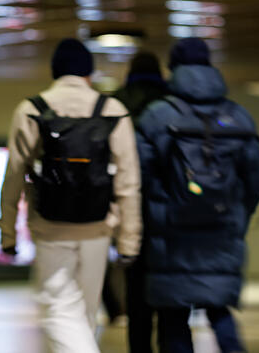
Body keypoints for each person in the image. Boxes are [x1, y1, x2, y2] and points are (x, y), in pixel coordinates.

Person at [0, 38, 142, 353]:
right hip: (98, 227)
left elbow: (14, 176)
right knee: (84, 315)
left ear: (55, 71)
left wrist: (8, 233)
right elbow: (129, 183)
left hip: (50, 226)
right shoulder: (113, 110)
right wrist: (129, 241)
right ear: (89, 73)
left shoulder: (32, 109)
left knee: (59, 310)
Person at [134, 38, 259, 353]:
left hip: (171, 237)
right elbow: (256, 182)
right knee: (220, 311)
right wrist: (236, 216)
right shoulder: (239, 116)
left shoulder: (157, 116)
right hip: (222, 232)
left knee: (174, 319)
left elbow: (140, 178)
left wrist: (157, 214)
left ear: (173, 69)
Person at [101, 52, 167, 337]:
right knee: (168, 284)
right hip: (168, 207)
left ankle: (138, 341)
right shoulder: (172, 102)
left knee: (134, 279)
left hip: (126, 203)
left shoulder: (115, 102)